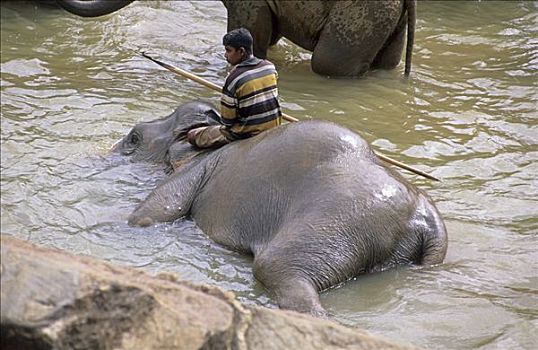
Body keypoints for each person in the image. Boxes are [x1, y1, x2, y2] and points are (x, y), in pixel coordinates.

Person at [187, 28, 282, 148]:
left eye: (228, 51)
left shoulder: (233, 78)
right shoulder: (269, 67)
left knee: (192, 135)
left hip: (246, 133)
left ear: (241, 51)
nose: (225, 55)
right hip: (273, 127)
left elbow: (227, 121)